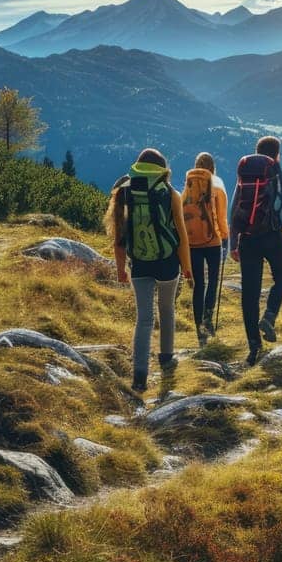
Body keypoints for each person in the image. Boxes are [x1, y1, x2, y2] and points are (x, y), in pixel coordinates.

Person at [105, 148, 192, 392]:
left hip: (139, 263)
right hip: (167, 262)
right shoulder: (171, 193)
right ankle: (166, 357)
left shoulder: (123, 192)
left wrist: (121, 269)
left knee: (144, 319)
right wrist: (187, 267)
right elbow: (182, 236)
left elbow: (119, 237)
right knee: (167, 309)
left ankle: (139, 376)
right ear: (163, 170)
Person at [230, 136, 282, 365]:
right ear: (277, 154)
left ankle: (254, 347)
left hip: (247, 238)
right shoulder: (277, 173)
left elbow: (234, 208)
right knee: (281, 275)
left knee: (249, 292)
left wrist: (232, 243)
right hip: (272, 235)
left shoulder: (245, 172)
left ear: (257, 151)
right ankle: (269, 316)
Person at [181, 152, 230, 348]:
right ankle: (208, 319)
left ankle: (197, 326)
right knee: (213, 280)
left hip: (192, 243)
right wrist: (224, 235)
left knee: (198, 284)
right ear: (213, 167)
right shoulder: (217, 183)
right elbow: (221, 215)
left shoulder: (188, 185)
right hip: (213, 242)